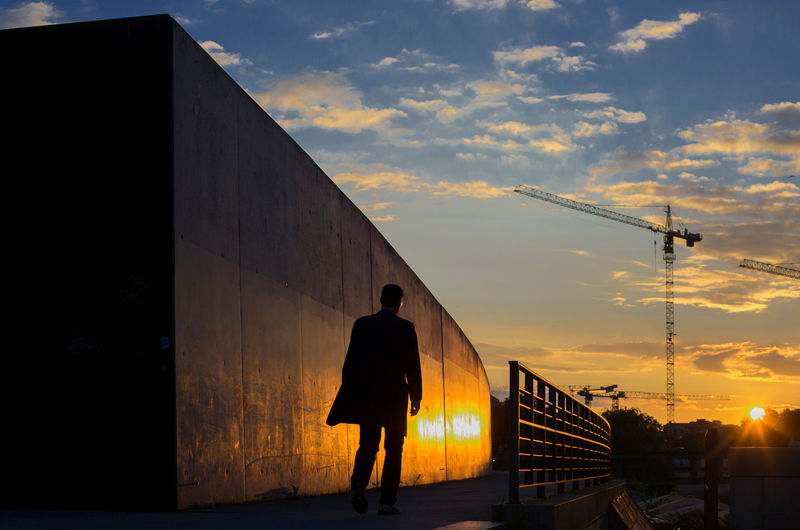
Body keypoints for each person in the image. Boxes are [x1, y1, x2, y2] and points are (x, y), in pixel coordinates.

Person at [326, 283, 422, 515]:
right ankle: (387, 502)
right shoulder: (406, 328)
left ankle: (359, 478)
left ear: (380, 299)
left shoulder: (361, 325)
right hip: (394, 398)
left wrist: (351, 392)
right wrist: (416, 397)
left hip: (367, 397)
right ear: (400, 303)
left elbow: (350, 363)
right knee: (393, 449)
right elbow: (412, 365)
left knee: (368, 444)